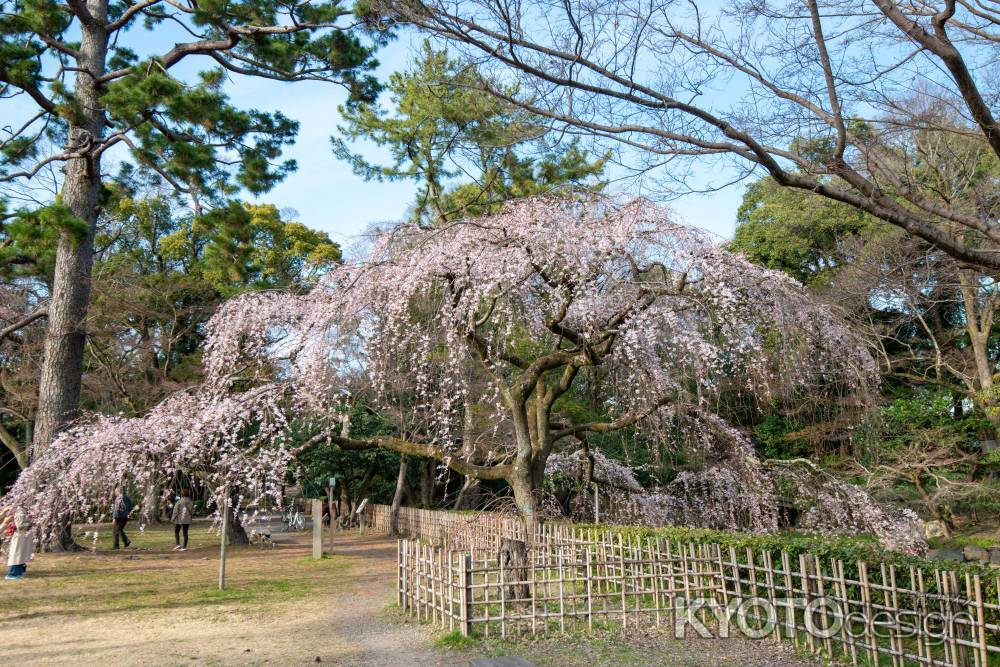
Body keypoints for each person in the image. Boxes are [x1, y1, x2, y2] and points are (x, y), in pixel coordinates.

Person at [1, 508, 35, 581]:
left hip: (21, 535)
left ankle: (18, 571)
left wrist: (4, 512)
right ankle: (12, 574)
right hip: (18, 535)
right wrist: (5, 523)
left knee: (20, 553)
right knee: (16, 554)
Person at [112, 486, 133, 550]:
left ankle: (116, 546)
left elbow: (116, 509)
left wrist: (114, 518)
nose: (115, 493)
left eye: (115, 492)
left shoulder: (118, 498)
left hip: (119, 517)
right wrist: (128, 513)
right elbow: (130, 506)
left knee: (116, 531)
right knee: (119, 529)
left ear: (119, 491)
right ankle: (126, 541)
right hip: (125, 517)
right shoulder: (127, 497)